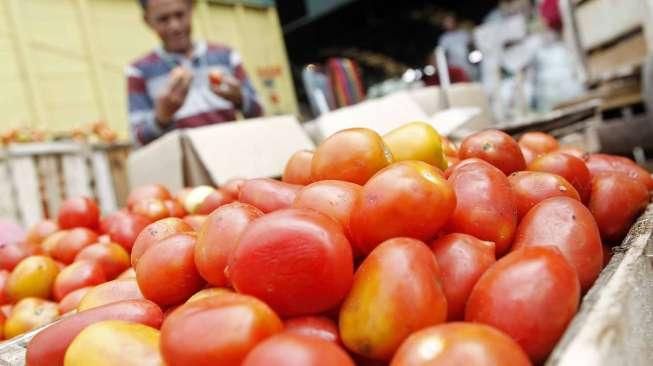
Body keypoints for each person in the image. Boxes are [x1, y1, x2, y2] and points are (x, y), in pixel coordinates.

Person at [127, 0, 263, 145]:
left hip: (230, 154)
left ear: (191, 8)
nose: (175, 26)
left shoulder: (226, 56)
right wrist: (161, 118)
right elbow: (137, 140)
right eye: (163, 19)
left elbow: (259, 112)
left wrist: (240, 98)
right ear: (147, 21)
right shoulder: (138, 71)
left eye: (180, 15)